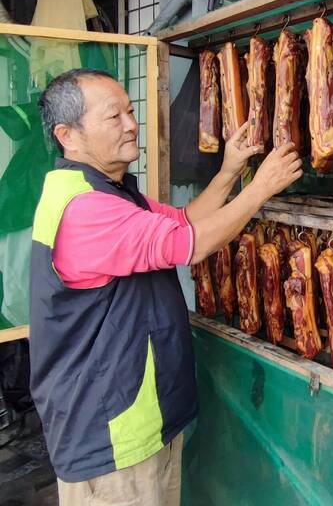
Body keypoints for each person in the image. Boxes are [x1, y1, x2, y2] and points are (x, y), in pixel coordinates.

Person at [28, 68, 302, 505]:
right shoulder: (83, 209)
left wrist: (231, 172)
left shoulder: (110, 192)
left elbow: (183, 221)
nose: (131, 124)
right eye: (113, 116)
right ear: (68, 135)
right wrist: (261, 189)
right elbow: (190, 246)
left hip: (142, 423)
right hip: (110, 438)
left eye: (131, 111)